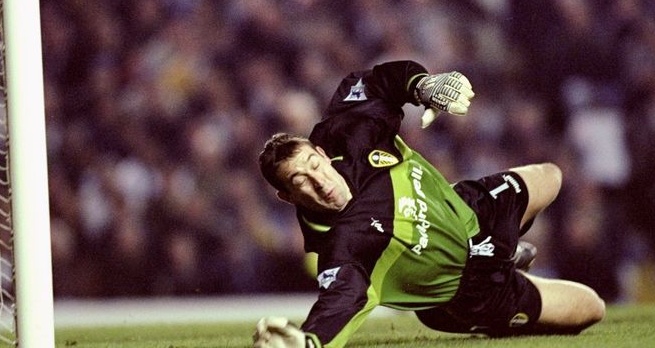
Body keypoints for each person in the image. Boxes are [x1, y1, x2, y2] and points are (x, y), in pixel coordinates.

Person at [253, 61, 605, 348]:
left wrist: (422, 86)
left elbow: (376, 82)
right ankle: (503, 305)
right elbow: (337, 305)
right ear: (288, 197)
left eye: (314, 167)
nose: (319, 183)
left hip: (468, 209)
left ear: (321, 154)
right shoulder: (340, 247)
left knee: (551, 175)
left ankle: (504, 248)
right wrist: (306, 343)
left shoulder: (349, 133)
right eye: (301, 183)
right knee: (592, 308)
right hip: (470, 289)